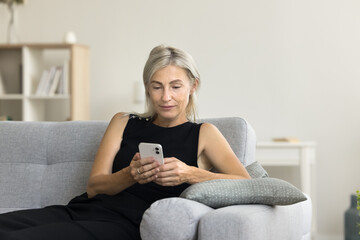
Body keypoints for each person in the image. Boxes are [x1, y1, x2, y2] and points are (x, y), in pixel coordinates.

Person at [0, 45, 251, 240]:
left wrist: (189, 173)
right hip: (84, 210)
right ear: (146, 87)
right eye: (157, 87)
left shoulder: (205, 134)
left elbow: (245, 184)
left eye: (176, 87)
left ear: (193, 86)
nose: (166, 97)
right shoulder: (123, 121)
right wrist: (130, 175)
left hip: (127, 226)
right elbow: (95, 187)